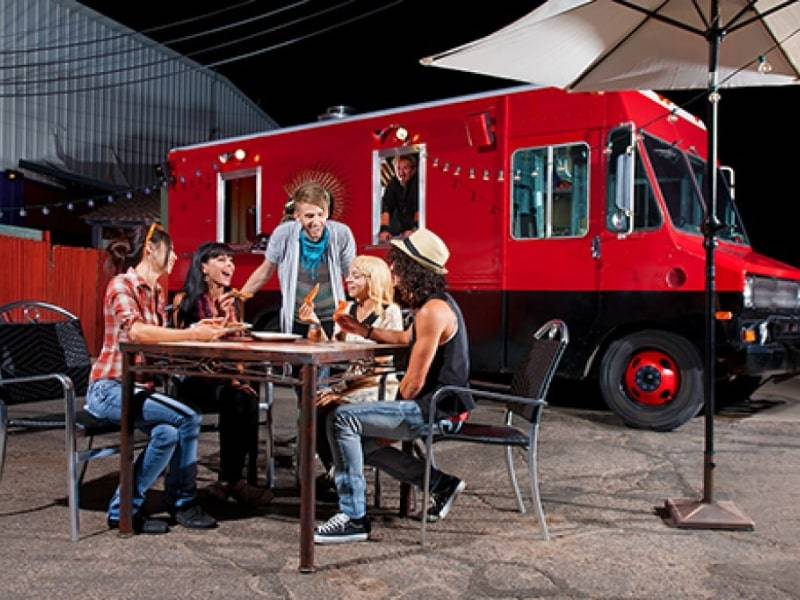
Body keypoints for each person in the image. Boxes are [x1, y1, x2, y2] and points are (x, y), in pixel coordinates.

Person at [314, 228, 473, 544]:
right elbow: (404, 339)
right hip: (444, 405)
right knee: (359, 446)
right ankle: (441, 485)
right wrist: (362, 329)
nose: (394, 276)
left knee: (342, 419)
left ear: (415, 271)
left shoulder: (432, 311)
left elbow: (412, 385)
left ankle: (353, 516)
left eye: (398, 268)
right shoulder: (436, 305)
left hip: (437, 409)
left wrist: (387, 421)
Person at [86, 223, 232, 534]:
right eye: (171, 249)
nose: (177, 255)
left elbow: (160, 343)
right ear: (151, 249)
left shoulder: (155, 292)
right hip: (109, 388)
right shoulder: (121, 285)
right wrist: (188, 333)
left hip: (138, 387)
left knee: (167, 432)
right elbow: (137, 332)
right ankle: (183, 501)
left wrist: (199, 335)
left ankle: (122, 510)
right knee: (188, 417)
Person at [172, 242, 273, 507]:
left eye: (231, 260)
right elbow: (186, 349)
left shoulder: (231, 302)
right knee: (238, 397)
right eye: (221, 260)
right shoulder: (188, 301)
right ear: (203, 267)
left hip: (224, 379)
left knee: (246, 396)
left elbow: (237, 344)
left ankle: (232, 481)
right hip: (193, 379)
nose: (229, 265)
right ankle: (234, 482)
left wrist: (237, 374)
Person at [297, 255, 404, 499]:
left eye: (356, 275)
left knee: (329, 411)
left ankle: (339, 476)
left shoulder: (390, 312)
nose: (349, 279)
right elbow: (333, 351)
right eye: (350, 274)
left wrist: (337, 392)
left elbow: (388, 354)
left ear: (373, 279)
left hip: (376, 383)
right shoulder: (346, 308)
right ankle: (338, 472)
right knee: (311, 408)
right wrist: (314, 323)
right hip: (349, 384)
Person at [241, 182, 355, 339]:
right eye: (309, 216)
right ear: (297, 215)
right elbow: (265, 271)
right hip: (296, 318)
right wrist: (240, 298)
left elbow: (352, 273)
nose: (316, 222)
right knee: (295, 362)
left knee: (334, 362)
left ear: (327, 213)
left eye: (320, 215)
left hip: (332, 316)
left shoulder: (342, 234)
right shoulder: (283, 234)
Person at [378, 155, 419, 243]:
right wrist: (384, 230)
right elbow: (386, 208)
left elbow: (418, 207)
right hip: (401, 229)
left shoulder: (417, 183)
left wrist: (415, 230)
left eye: (405, 168)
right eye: (398, 168)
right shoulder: (393, 183)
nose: (401, 172)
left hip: (416, 227)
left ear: (413, 170)